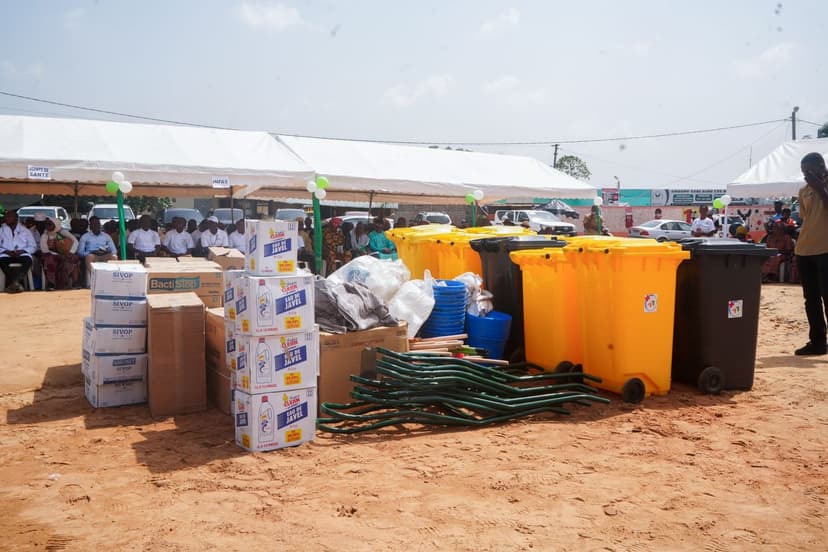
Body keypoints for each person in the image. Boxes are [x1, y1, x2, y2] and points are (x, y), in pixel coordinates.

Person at [794, 152, 828, 355]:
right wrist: (813, 187)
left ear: (821, 167)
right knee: (811, 299)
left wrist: (821, 188)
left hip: (825, 250)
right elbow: (806, 218)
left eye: (809, 170)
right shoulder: (803, 190)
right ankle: (817, 343)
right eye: (803, 172)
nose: (806, 175)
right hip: (804, 250)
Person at [0, 209, 38, 292]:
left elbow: (33, 246)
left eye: (9, 216)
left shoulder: (25, 231)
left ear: (16, 218)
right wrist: (5, 251)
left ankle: (15, 282)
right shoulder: (1, 230)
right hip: (6, 254)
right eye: (6, 216)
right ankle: (16, 283)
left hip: (21, 254)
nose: (6, 218)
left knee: (28, 260)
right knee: (1, 261)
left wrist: (23, 251)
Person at [40, 217, 80, 290]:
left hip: (66, 253)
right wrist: (58, 254)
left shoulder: (62, 232)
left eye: (50, 224)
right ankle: (51, 283)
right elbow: (44, 250)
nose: (48, 226)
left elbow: (75, 241)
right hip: (52, 254)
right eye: (47, 224)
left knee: (74, 258)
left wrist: (71, 252)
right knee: (49, 259)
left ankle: (75, 282)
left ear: (56, 224)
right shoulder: (45, 235)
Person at [78, 216, 117, 285]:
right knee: (89, 257)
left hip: (104, 254)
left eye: (97, 223)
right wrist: (91, 252)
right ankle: (94, 279)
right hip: (93, 255)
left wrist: (107, 251)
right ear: (90, 226)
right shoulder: (85, 236)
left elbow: (114, 250)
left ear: (100, 224)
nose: (96, 225)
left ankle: (112, 280)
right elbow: (80, 252)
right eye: (93, 224)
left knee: (114, 257)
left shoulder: (106, 236)